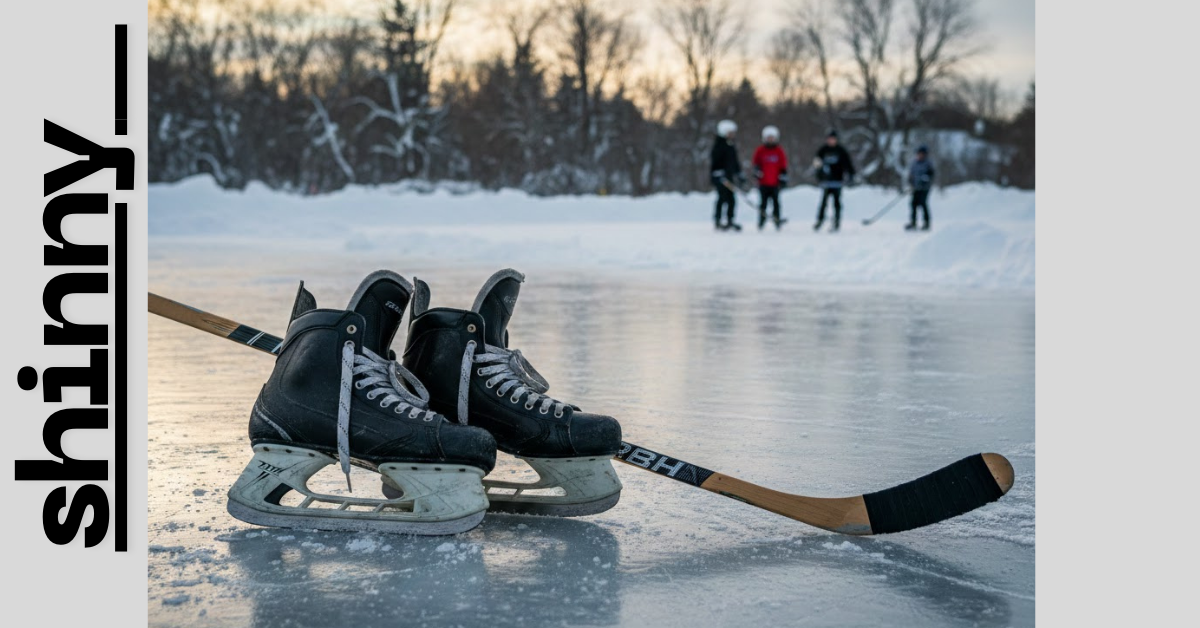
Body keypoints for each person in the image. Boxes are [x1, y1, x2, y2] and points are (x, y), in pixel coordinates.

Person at [812, 129, 856, 232]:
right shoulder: (823, 150)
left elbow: (847, 164)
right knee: (823, 203)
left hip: (837, 181)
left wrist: (851, 174)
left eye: (833, 139)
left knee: (837, 203)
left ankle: (836, 221)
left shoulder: (841, 151)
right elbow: (816, 164)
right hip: (826, 182)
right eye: (829, 139)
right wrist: (819, 175)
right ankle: (820, 220)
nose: (831, 141)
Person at [710, 119, 745, 231]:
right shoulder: (718, 146)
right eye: (730, 132)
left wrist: (739, 174)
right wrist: (718, 174)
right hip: (720, 178)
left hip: (729, 177)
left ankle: (730, 220)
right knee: (721, 198)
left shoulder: (731, 145)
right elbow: (715, 163)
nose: (732, 134)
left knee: (731, 199)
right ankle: (718, 220)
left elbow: (734, 162)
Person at [753, 125, 789, 230]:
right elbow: (756, 163)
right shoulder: (760, 150)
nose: (770, 140)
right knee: (763, 203)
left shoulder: (779, 151)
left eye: (772, 138)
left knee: (776, 203)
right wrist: (757, 172)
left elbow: (783, 165)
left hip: (775, 183)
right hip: (763, 183)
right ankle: (761, 221)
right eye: (768, 137)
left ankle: (777, 220)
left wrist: (783, 177)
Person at [906, 145, 935, 231]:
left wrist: (925, 179)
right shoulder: (914, 163)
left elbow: (931, 175)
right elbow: (911, 175)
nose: (920, 155)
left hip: (924, 188)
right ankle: (913, 223)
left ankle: (926, 223)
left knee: (923, 204)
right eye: (919, 154)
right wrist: (911, 183)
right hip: (915, 188)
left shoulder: (928, 164)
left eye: (922, 154)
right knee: (913, 204)